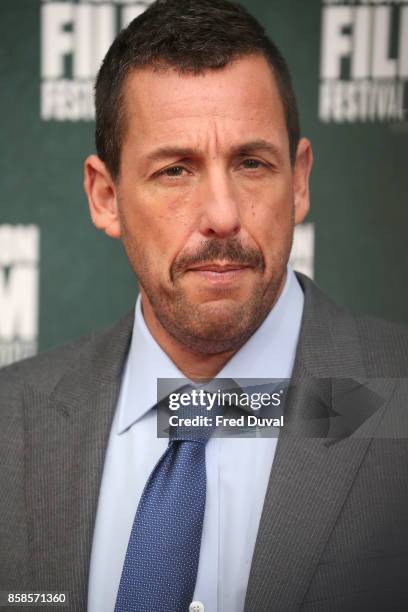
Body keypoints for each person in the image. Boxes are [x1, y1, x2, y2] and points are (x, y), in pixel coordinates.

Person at [1, 0, 408, 610]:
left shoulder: (398, 393)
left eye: (251, 163)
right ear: (106, 196)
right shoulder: (11, 422)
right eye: (175, 171)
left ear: (298, 182)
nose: (222, 216)